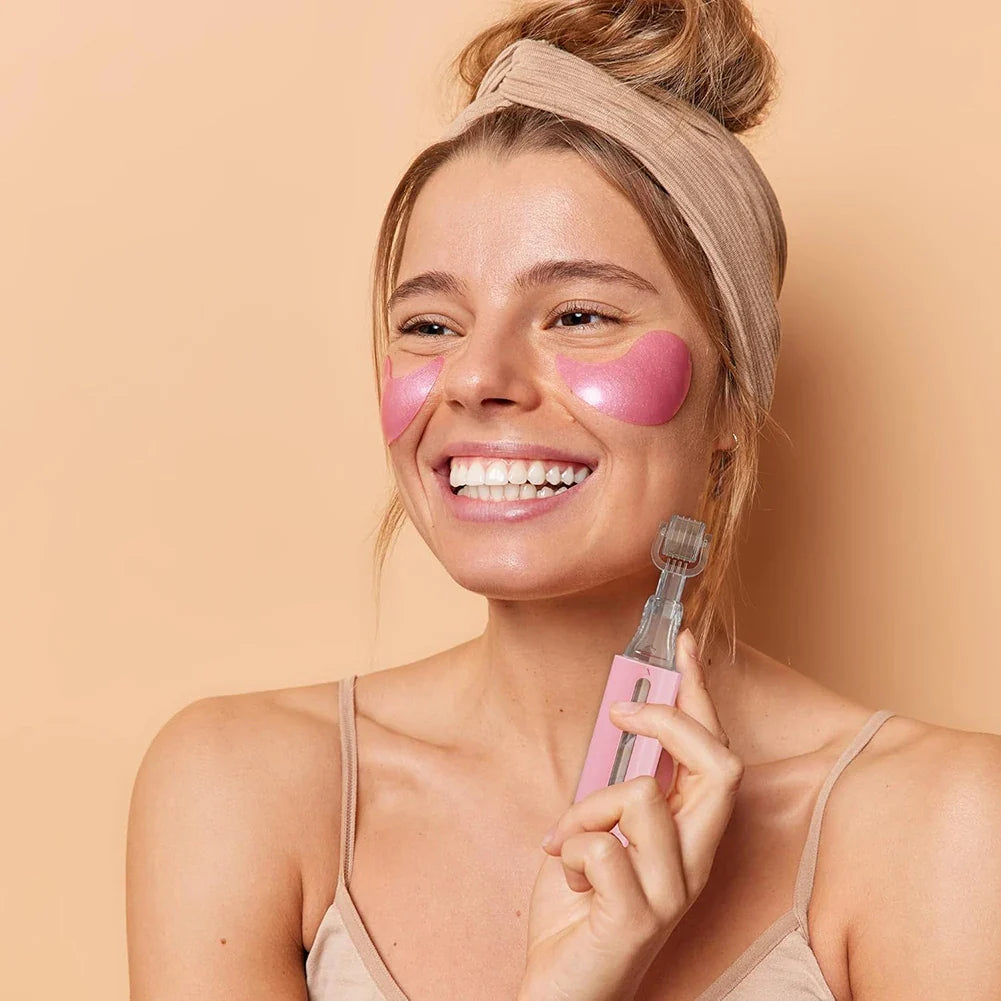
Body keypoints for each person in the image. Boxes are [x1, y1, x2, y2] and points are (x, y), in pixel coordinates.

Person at [126, 2, 1001, 999]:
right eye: (427, 322)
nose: (475, 376)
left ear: (729, 397)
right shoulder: (241, 790)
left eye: (578, 313)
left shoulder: (942, 827)